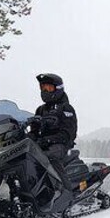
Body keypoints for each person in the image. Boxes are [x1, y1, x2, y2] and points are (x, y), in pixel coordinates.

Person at [28, 73, 77, 203]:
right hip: (41, 144)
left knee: (48, 157)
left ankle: (67, 195)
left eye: (48, 88)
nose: (45, 91)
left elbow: (68, 133)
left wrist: (49, 139)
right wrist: (29, 135)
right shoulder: (40, 109)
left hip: (60, 144)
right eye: (43, 88)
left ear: (58, 89)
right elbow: (34, 129)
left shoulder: (66, 108)